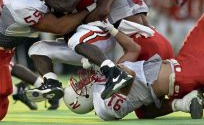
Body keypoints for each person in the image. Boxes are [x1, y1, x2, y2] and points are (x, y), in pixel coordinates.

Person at [27, 0, 133, 102]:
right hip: (80, 40)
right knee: (37, 49)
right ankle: (51, 83)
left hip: (98, 31)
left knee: (77, 39)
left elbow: (68, 3)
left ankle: (116, 74)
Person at [63, 18, 204, 120]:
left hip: (180, 71)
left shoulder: (105, 84)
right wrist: (103, 66)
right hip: (184, 71)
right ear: (83, 98)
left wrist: (111, 30)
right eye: (79, 87)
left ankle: (186, 102)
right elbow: (127, 76)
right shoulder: (103, 108)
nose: (81, 82)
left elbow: (133, 49)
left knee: (143, 113)